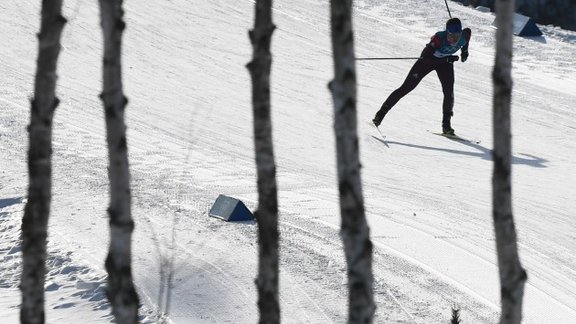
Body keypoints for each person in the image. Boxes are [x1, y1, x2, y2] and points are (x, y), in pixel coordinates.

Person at [372, 18, 471, 135]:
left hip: (445, 64)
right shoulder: (438, 38)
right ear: (446, 32)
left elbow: (468, 33)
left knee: (449, 92)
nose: (454, 39)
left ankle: (446, 126)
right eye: (451, 36)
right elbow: (426, 57)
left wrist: (465, 51)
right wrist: (446, 58)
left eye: (457, 35)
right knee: (406, 88)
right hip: (428, 62)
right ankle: (380, 115)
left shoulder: (464, 36)